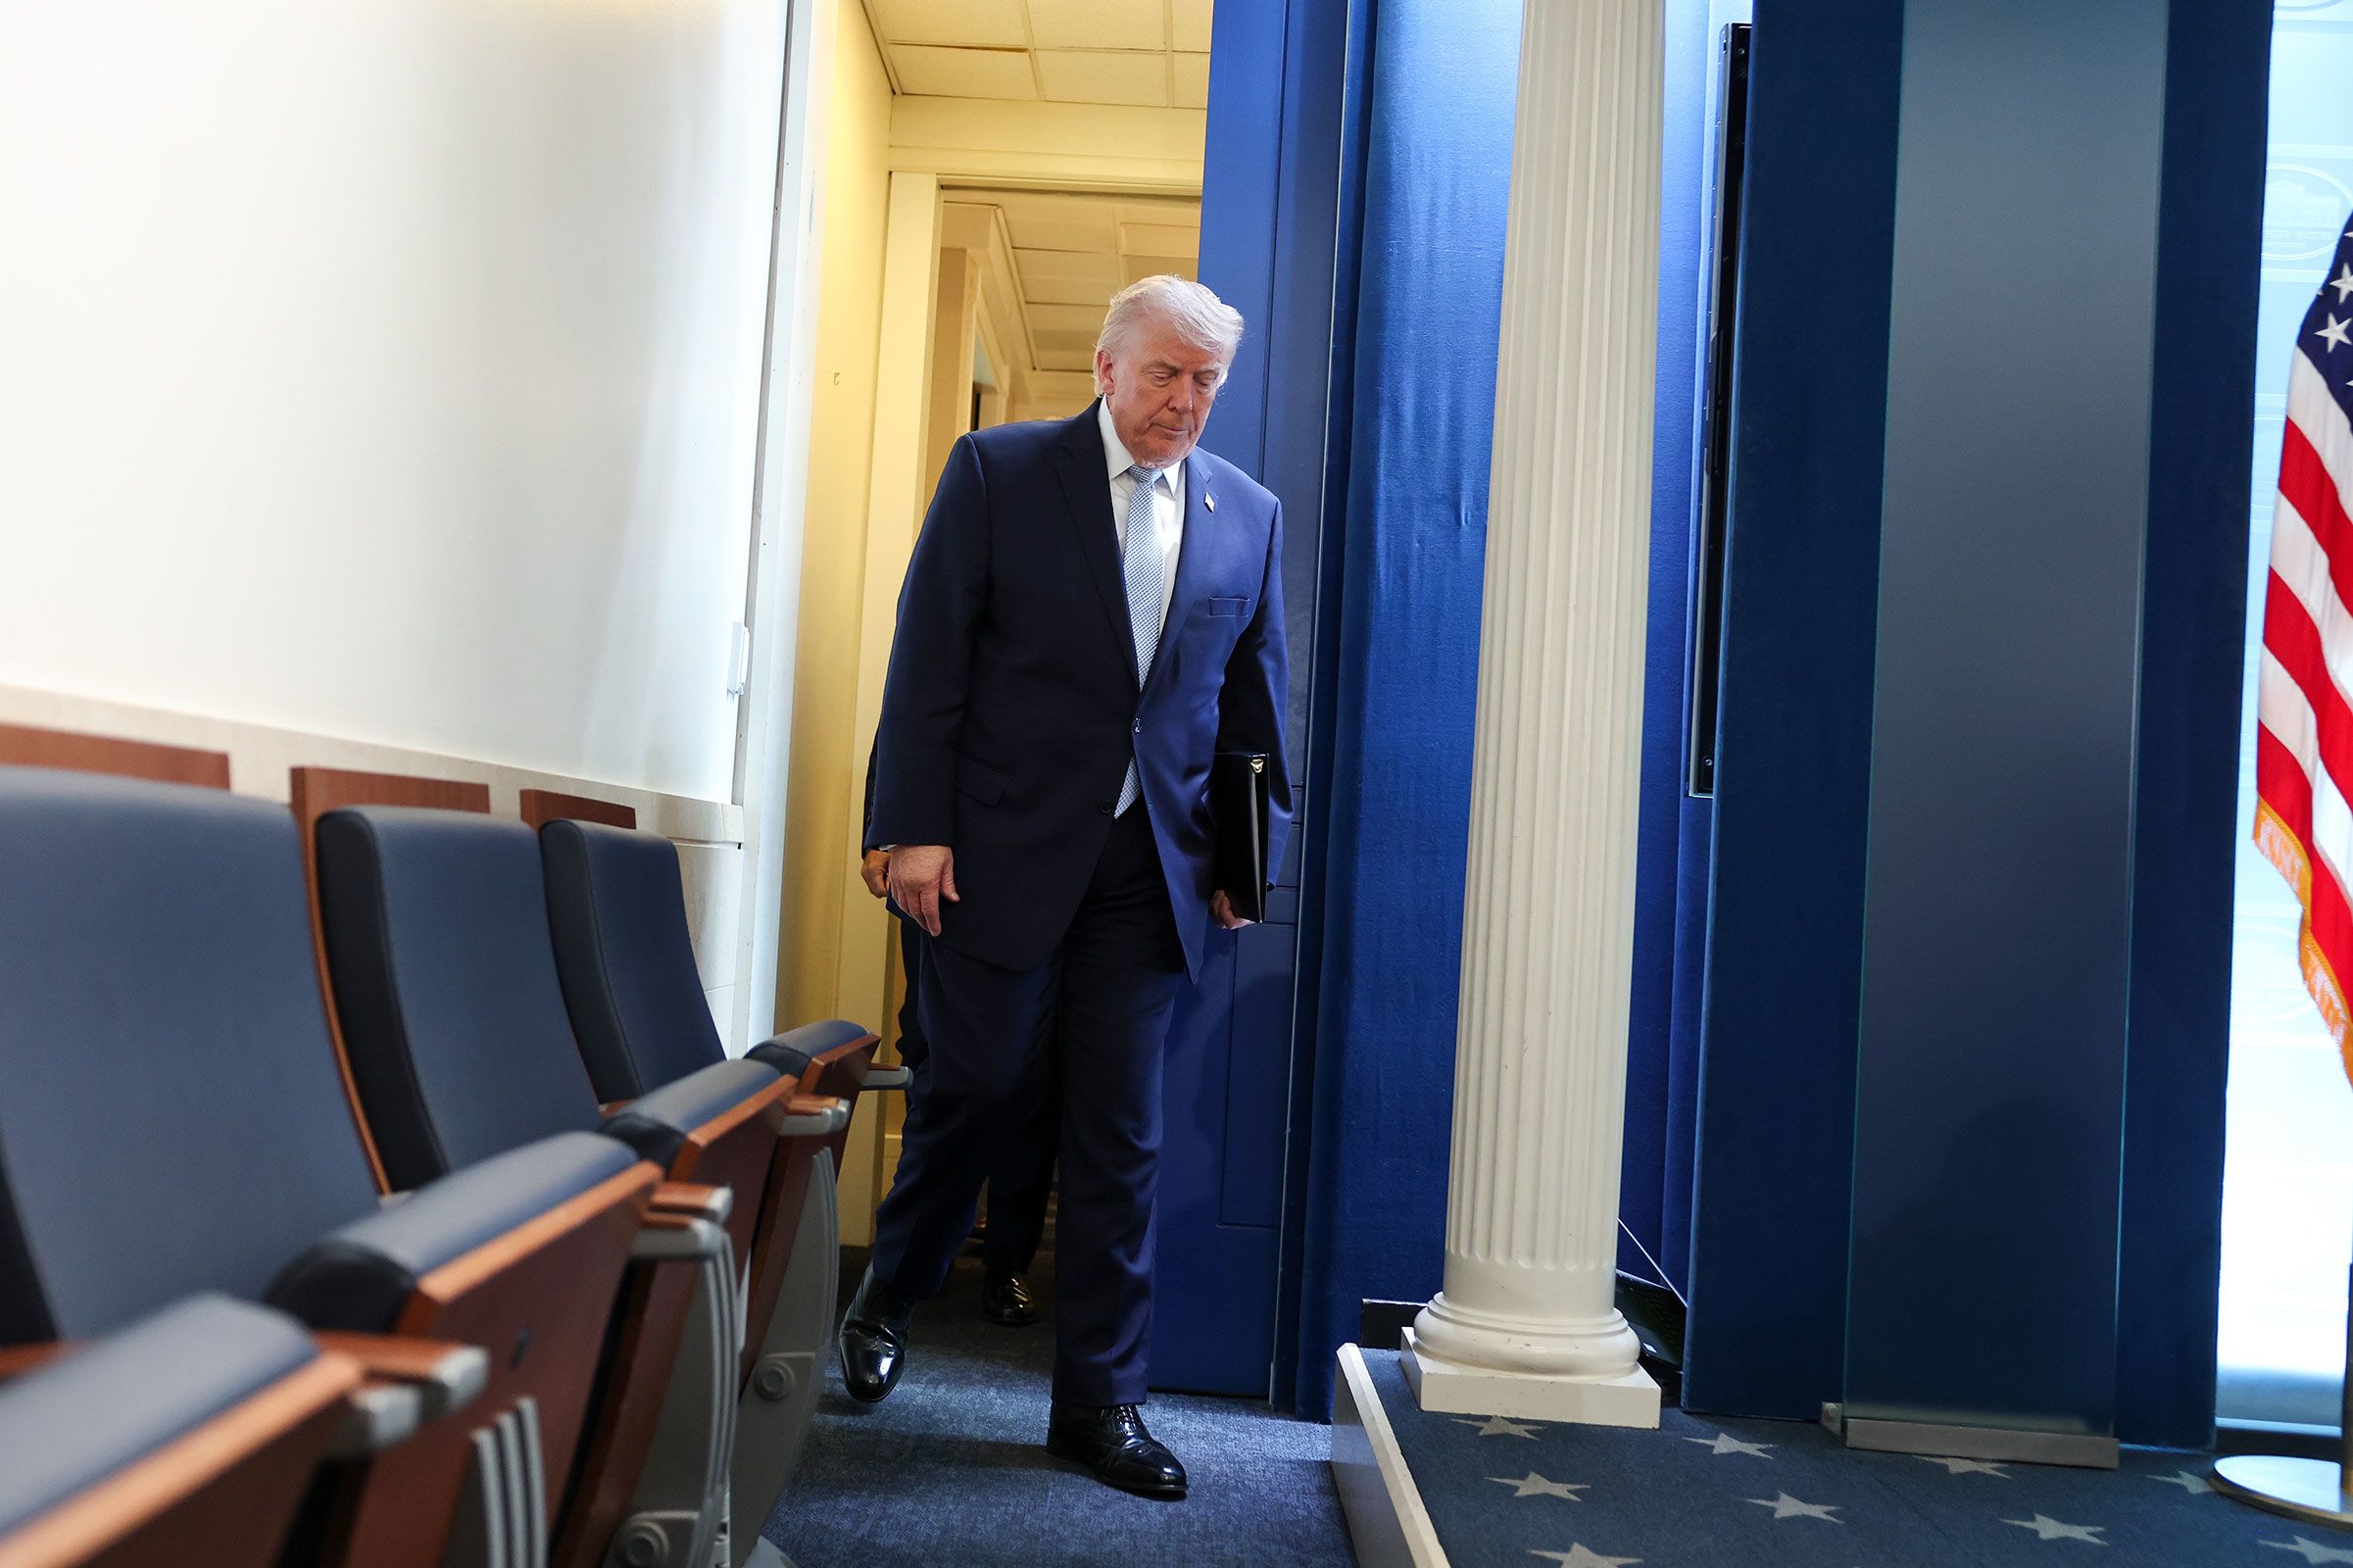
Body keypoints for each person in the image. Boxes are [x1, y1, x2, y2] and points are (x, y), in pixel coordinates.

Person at [843, 274, 1292, 1499]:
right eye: (1164, 374)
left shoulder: (1247, 512)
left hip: (1150, 871)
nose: (1184, 401)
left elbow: (1250, 702)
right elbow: (926, 658)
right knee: (974, 1091)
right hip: (992, 850)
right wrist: (912, 827)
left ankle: (1100, 1400)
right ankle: (893, 1287)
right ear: (1104, 367)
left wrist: (1244, 866)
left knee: (1119, 1135)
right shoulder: (998, 472)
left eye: (1205, 381)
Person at [859, 737, 1058, 1326]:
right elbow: (904, 724)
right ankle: (925, 1245)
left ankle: (1007, 1262)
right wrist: (879, 837)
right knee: (929, 1058)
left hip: (1044, 862)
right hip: (937, 874)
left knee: (1030, 1075)